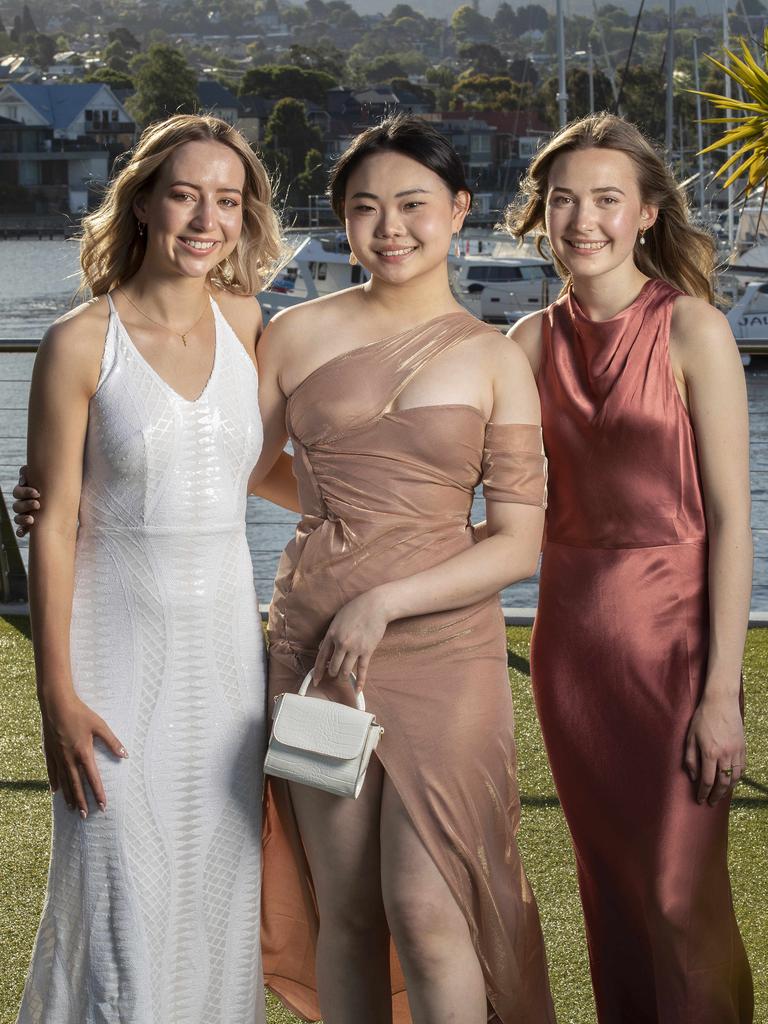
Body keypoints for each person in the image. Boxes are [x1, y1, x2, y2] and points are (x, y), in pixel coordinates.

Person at [255, 114, 555, 1024]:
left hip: (447, 652)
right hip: (314, 649)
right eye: (365, 208)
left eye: (413, 205)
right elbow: (227, 469)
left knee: (429, 914)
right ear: (342, 220)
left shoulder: (497, 358)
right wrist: (339, 522)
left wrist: (385, 593)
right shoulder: (290, 335)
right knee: (343, 912)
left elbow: (517, 540)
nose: (391, 228)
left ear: (460, 209)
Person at [14, 113, 297, 1024]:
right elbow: (51, 526)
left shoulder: (252, 321)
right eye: (185, 194)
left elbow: (251, 468)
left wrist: (393, 510)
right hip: (110, 658)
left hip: (225, 668)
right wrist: (54, 691)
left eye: (227, 198)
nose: (205, 218)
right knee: (116, 892)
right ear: (142, 203)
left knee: (218, 894)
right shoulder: (78, 342)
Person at [506, 113, 753, 1023]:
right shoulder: (525, 345)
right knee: (611, 897)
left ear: (647, 213)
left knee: (682, 898)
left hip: (679, 654)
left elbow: (731, 521)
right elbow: (444, 478)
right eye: (564, 199)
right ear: (541, 213)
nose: (583, 219)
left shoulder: (695, 330)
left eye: (607, 199)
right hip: (573, 657)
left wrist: (721, 693)